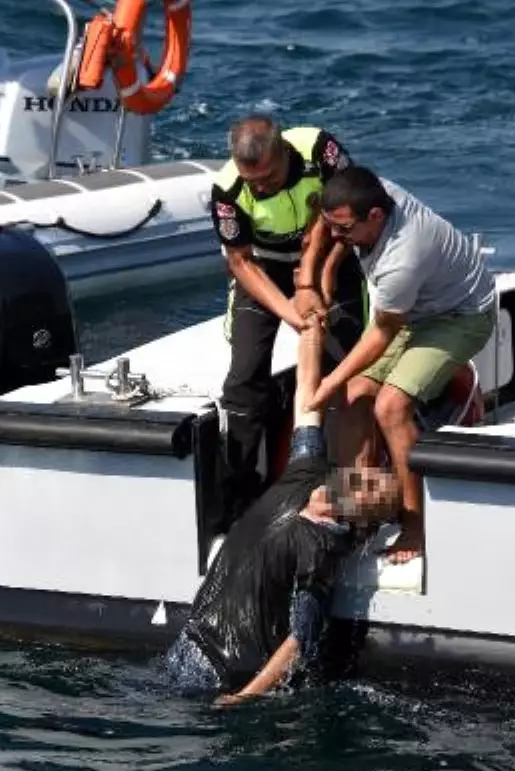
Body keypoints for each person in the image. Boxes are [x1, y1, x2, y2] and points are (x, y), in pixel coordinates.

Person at [165, 313, 399, 703]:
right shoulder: (308, 473)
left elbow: (299, 641)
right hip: (191, 639)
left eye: (367, 489)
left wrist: (246, 696)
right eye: (368, 476)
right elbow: (308, 401)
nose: (360, 477)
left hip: (221, 670)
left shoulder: (320, 548)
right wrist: (310, 331)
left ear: (356, 515)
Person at [304, 165, 497, 564]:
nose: (336, 236)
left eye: (344, 230)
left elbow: (382, 332)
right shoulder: (372, 193)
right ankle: (356, 509)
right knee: (355, 394)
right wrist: (322, 271)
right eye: (331, 226)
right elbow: (333, 222)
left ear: (375, 216)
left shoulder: (403, 258)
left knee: (389, 406)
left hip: (461, 316)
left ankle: (415, 524)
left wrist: (326, 385)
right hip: (413, 311)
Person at [210, 113, 366, 523]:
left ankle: (346, 492)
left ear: (285, 153)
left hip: (335, 256)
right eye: (253, 182)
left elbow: (350, 217)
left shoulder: (320, 151)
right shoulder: (226, 192)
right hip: (263, 273)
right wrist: (292, 313)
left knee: (347, 372)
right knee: (242, 382)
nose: (260, 187)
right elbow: (240, 263)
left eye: (269, 177)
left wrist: (319, 276)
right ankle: (240, 499)